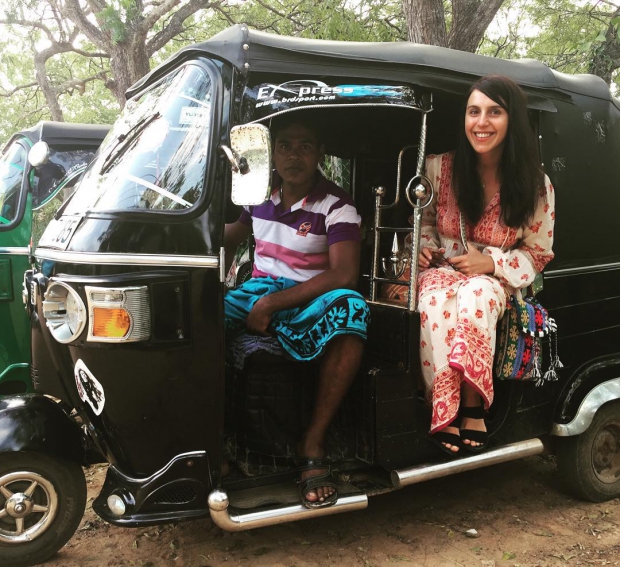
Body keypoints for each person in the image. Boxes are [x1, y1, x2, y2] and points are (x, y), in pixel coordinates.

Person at [224, 115, 369, 507]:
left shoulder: (338, 205)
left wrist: (273, 303)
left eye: (305, 146)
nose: (293, 155)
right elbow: (229, 237)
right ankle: (211, 441)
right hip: (256, 290)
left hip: (308, 299)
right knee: (198, 318)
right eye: (285, 146)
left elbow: (344, 274)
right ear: (272, 153)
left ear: (320, 153)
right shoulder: (256, 195)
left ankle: (313, 444)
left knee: (353, 310)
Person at [416, 75, 555, 456]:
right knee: (433, 300)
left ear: (513, 120)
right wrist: (424, 251)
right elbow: (423, 225)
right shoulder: (439, 168)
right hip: (442, 272)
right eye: (473, 112)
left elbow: (538, 254)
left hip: (496, 280)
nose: (481, 122)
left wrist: (491, 263)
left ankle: (473, 403)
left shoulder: (535, 185)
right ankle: (444, 406)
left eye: (494, 112)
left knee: (476, 294)